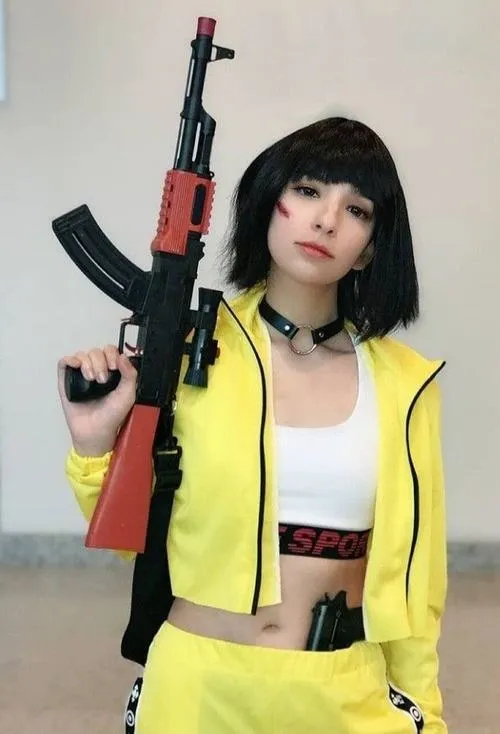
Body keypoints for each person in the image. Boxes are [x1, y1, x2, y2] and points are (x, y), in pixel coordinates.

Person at [58, 116, 448, 733]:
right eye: (308, 191)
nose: (326, 220)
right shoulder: (188, 353)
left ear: (372, 247)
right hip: (197, 692)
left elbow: (419, 582)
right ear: (269, 204)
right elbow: (127, 531)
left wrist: (426, 707)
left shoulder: (405, 385)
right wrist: (93, 443)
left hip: (341, 697)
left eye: (357, 210)